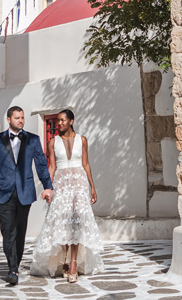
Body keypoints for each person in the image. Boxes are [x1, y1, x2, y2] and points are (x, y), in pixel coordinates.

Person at [0, 106, 53, 286]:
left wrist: (48, 186)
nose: (21, 120)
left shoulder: (33, 140)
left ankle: (14, 266)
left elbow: (41, 165)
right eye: (17, 118)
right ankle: (12, 268)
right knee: (7, 231)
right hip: (3, 191)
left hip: (25, 192)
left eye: (22, 118)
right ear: (9, 119)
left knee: (20, 232)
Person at [30, 110, 104, 282]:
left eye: (62, 120)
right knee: (63, 221)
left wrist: (92, 187)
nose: (59, 123)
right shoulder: (52, 142)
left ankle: (73, 263)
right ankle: (64, 257)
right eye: (58, 121)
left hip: (79, 183)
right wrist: (48, 187)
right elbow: (52, 167)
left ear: (71, 121)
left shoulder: (82, 140)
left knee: (76, 223)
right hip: (61, 183)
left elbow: (86, 164)